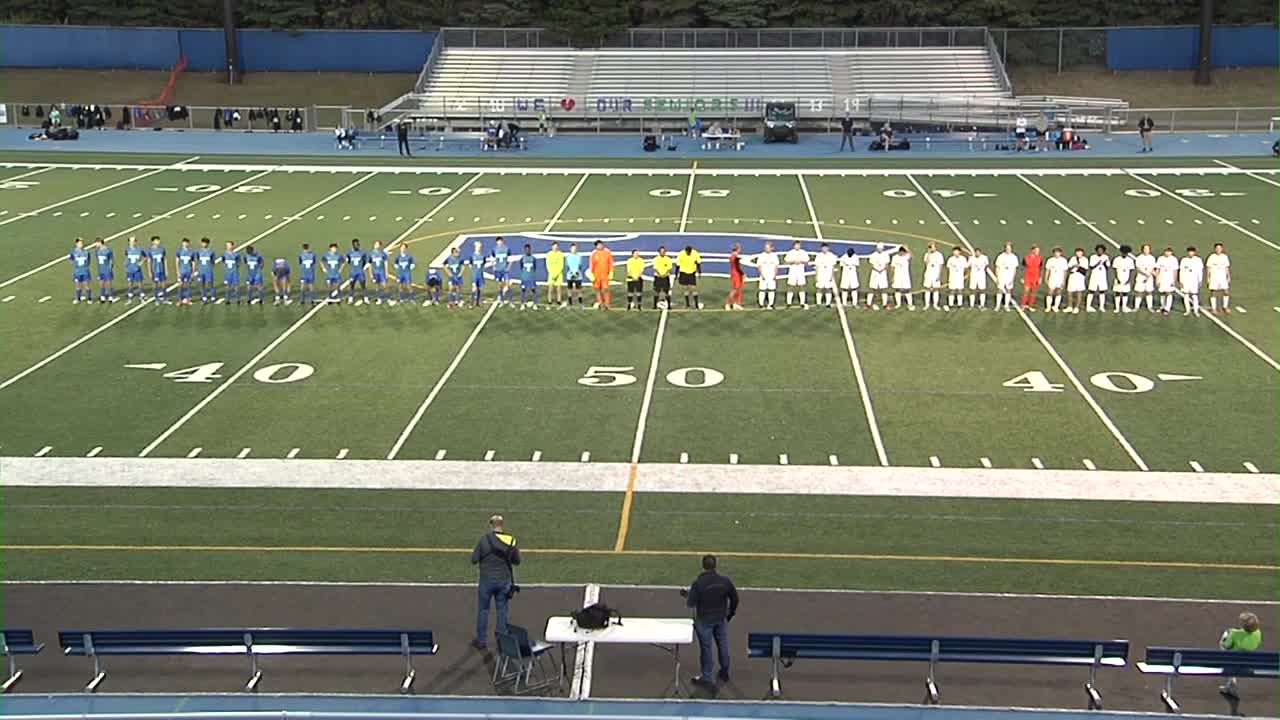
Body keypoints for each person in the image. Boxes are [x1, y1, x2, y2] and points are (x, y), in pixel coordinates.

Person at [682, 554, 739, 687]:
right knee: (723, 645)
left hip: (704, 620)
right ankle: (724, 671)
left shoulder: (698, 583)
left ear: (703, 566)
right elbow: (735, 598)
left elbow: (691, 603)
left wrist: (687, 595)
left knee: (706, 648)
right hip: (721, 618)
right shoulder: (725, 581)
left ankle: (707, 676)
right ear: (715, 565)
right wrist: (730, 614)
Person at [471, 514, 520, 652]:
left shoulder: (484, 540)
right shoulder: (511, 541)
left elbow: (474, 559)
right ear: (502, 525)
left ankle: (481, 641)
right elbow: (517, 561)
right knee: (502, 610)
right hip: (504, 581)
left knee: (483, 610)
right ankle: (502, 641)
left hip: (486, 581)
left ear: (491, 525)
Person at [1218, 612, 1262, 698]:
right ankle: (1230, 685)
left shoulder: (1235, 633)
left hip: (1235, 661)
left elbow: (1226, 645)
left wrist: (1226, 635)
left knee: (1223, 647)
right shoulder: (1258, 633)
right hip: (1249, 662)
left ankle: (1232, 682)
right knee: (1235, 654)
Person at [1206, 242, 1231, 314]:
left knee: (1226, 292)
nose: (1218, 250)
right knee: (1213, 292)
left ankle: (1225, 306)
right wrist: (1208, 277)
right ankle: (1214, 308)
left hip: (1222, 277)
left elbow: (1226, 267)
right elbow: (1208, 268)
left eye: (1220, 248)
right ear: (1215, 249)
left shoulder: (1224, 257)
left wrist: (1228, 276)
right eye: (1217, 248)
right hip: (1214, 277)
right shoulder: (1211, 257)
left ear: (1222, 249)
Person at [783, 240, 809, 309]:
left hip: (801, 272)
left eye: (798, 245)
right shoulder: (790, 253)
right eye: (796, 245)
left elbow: (807, 261)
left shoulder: (803, 252)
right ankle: (789, 303)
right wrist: (793, 261)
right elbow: (786, 261)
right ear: (794, 245)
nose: (797, 246)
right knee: (791, 286)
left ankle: (802, 302)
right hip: (792, 272)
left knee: (802, 286)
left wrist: (801, 261)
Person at [589, 240, 615, 309]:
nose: (600, 246)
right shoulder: (593, 253)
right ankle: (600, 303)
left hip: (605, 275)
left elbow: (611, 263)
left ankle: (607, 304)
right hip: (596, 275)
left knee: (605, 289)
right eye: (598, 245)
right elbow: (591, 264)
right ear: (596, 246)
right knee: (597, 289)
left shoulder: (607, 252)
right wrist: (591, 274)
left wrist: (611, 272)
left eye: (601, 244)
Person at [1179, 245, 1204, 316]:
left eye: (1192, 252)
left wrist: (1200, 280)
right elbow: (1181, 271)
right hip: (1186, 280)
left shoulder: (1198, 260)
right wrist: (1181, 281)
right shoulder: (1184, 260)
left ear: (1194, 252)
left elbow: (1200, 271)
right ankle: (1187, 310)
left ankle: (1196, 311)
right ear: (1187, 252)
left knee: (1194, 295)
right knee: (1186, 295)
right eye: (1189, 252)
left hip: (1194, 280)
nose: (1191, 253)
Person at [675, 244, 702, 309]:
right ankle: (687, 304)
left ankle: (696, 304)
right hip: (683, 273)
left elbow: (698, 263)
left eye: (689, 252)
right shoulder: (681, 254)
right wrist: (676, 274)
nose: (689, 253)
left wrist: (699, 272)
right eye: (688, 252)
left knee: (693, 288)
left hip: (691, 273)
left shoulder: (695, 253)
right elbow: (677, 265)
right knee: (686, 289)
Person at [755, 242, 779, 309]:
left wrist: (775, 275)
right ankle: (761, 304)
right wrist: (761, 274)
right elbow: (759, 266)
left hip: (771, 275)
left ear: (771, 248)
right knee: (762, 290)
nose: (767, 249)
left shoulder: (774, 256)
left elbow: (776, 266)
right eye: (766, 248)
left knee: (772, 290)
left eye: (768, 248)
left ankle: (771, 304)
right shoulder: (761, 255)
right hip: (764, 275)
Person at [1086, 244, 1110, 313]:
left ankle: (1101, 307)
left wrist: (1105, 262)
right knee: (1091, 291)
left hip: (1102, 276)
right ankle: (1088, 306)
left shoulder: (1106, 257)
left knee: (1102, 291)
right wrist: (1099, 262)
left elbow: (1107, 267)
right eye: (1099, 250)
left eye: (1101, 250)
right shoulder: (1092, 257)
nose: (1100, 252)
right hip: (1094, 276)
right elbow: (1091, 266)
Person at [994, 243, 1019, 312]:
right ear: (1005, 248)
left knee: (1008, 290)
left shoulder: (1014, 257)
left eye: (1009, 248)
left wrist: (1013, 278)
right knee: (999, 290)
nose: (1008, 250)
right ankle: (997, 305)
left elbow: (1014, 269)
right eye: (1007, 248)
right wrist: (997, 277)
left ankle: (1006, 305)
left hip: (1009, 276)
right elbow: (997, 267)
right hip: (1001, 276)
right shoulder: (1000, 256)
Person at [1155, 247, 1179, 315]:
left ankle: (1167, 308)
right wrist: (1157, 279)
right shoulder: (1160, 258)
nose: (1167, 253)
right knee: (1162, 293)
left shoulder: (1174, 259)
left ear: (1171, 252)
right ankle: (1162, 307)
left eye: (1169, 252)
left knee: (1169, 293)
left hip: (1169, 279)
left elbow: (1175, 271)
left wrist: (1174, 280)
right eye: (1166, 251)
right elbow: (1157, 269)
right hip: (1161, 278)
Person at [867, 242, 891, 310]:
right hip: (875, 273)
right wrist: (877, 269)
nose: (880, 250)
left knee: (884, 289)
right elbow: (871, 264)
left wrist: (882, 269)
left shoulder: (886, 255)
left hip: (882, 273)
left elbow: (887, 264)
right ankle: (868, 304)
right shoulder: (873, 255)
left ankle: (885, 304)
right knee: (872, 288)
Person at [1112, 245, 1136, 313]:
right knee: (1117, 292)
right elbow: (1115, 269)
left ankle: (1124, 307)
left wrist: (1129, 279)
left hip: (1126, 278)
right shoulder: (1117, 259)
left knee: (1125, 293)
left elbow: (1131, 271)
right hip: (1119, 278)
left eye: (1126, 253)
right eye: (1123, 252)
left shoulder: (1130, 260)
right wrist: (1117, 278)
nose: (1125, 254)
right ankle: (1117, 308)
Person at [1043, 247, 1068, 312]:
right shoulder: (1050, 260)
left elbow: (1065, 271)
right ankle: (1048, 307)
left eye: (1058, 252)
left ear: (1060, 253)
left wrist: (1064, 280)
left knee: (1059, 292)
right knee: (1050, 292)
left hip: (1060, 279)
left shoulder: (1064, 260)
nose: (1057, 254)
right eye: (1056, 252)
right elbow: (1047, 270)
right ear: (1054, 253)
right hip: (1052, 278)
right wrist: (1046, 278)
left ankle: (1056, 307)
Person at [1133, 244, 1157, 313]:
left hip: (1149, 277)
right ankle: (1136, 307)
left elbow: (1153, 268)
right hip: (1141, 277)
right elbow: (1138, 268)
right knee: (1139, 292)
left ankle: (1150, 307)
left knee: (1149, 292)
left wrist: (1148, 274)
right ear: (1142, 250)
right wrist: (1145, 274)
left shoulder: (1152, 258)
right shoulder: (1139, 258)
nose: (1146, 250)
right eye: (1145, 249)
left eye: (1148, 249)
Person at [921, 242, 944, 310]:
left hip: (935, 274)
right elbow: (926, 263)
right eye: (931, 247)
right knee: (927, 289)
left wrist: (939, 275)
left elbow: (941, 265)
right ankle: (926, 304)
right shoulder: (926, 254)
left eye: (934, 247)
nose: (932, 248)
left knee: (935, 290)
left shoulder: (939, 255)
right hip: (928, 274)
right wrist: (928, 253)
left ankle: (935, 305)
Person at [124, 236, 146, 304]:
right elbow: (127, 257)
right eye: (131, 241)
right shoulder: (127, 249)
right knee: (130, 283)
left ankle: (142, 296)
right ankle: (130, 296)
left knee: (139, 282)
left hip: (137, 269)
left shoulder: (140, 249)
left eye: (133, 241)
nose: (132, 243)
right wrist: (126, 263)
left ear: (136, 242)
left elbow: (145, 257)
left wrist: (141, 263)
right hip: (129, 269)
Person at [890, 245, 913, 310]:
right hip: (897, 276)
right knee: (897, 289)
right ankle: (898, 304)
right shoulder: (895, 257)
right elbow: (892, 267)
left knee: (907, 290)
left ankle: (910, 304)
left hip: (905, 276)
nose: (903, 253)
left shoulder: (906, 256)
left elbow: (911, 256)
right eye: (902, 252)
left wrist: (907, 249)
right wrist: (892, 277)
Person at [1066, 247, 1089, 314]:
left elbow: (1085, 269)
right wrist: (1074, 266)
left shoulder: (1085, 259)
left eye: (1080, 252)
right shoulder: (1073, 259)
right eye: (1077, 252)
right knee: (1069, 292)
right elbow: (1069, 267)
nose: (1078, 254)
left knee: (1079, 292)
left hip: (1080, 277)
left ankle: (1077, 307)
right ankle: (1070, 306)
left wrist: (1079, 266)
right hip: (1072, 276)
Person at [1020, 245, 1042, 311]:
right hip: (1027, 276)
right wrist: (1022, 277)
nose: (1037, 252)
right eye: (1036, 250)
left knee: (1033, 292)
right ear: (1032, 250)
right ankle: (1023, 305)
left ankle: (1030, 305)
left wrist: (1040, 277)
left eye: (1038, 250)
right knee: (1026, 291)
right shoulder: (1026, 258)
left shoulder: (1040, 258)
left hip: (1035, 277)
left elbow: (1040, 268)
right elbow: (1023, 268)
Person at [69, 237, 92, 303]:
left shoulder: (86, 252)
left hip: (85, 271)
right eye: (79, 243)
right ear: (76, 244)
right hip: (77, 272)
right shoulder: (73, 252)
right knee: (78, 286)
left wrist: (85, 267)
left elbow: (89, 261)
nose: (81, 245)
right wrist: (75, 265)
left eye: (82, 243)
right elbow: (71, 259)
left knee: (86, 285)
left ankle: (89, 298)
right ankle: (77, 298)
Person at [945, 246, 968, 311]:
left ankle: (959, 304)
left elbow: (966, 268)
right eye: (954, 251)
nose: (955, 252)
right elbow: (948, 268)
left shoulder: (963, 259)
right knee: (952, 291)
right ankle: (951, 304)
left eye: (956, 251)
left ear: (959, 252)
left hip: (960, 277)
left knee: (960, 291)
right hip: (952, 277)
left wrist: (966, 275)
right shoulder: (950, 259)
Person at [174, 237, 196, 305]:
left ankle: (188, 299)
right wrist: (178, 272)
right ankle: (180, 300)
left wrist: (193, 272)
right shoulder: (179, 251)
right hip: (181, 271)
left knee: (188, 285)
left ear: (188, 243)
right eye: (184, 242)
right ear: (182, 243)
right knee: (180, 285)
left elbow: (193, 262)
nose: (185, 244)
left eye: (186, 243)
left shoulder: (191, 251)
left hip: (188, 271)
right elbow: (177, 262)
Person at [347, 239, 368, 305]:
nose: (356, 246)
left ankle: (365, 298)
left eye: (357, 244)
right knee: (352, 285)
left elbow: (364, 261)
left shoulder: (362, 253)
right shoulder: (349, 253)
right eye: (355, 245)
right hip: (353, 272)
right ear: (352, 245)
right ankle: (350, 298)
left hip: (360, 272)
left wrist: (360, 267)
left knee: (363, 285)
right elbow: (349, 261)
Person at [94, 237, 115, 304]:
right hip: (101, 269)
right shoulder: (97, 251)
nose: (96, 244)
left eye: (97, 243)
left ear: (100, 242)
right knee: (101, 283)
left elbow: (111, 260)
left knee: (108, 283)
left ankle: (110, 296)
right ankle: (102, 296)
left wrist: (110, 268)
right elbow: (98, 260)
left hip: (107, 269)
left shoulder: (108, 250)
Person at [147, 236, 167, 303]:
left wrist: (166, 270)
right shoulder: (150, 250)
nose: (158, 242)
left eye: (158, 240)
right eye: (156, 241)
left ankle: (165, 298)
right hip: (154, 270)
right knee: (155, 285)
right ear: (152, 242)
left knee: (163, 284)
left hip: (161, 269)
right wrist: (150, 272)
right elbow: (149, 261)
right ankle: (156, 299)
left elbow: (164, 260)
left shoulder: (162, 249)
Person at [196, 238, 217, 304]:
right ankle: (204, 297)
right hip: (201, 270)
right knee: (202, 284)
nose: (204, 244)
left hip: (208, 270)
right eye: (203, 243)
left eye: (205, 243)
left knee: (210, 283)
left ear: (208, 244)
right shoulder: (198, 251)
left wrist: (209, 267)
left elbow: (213, 261)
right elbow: (198, 260)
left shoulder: (211, 251)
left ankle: (213, 296)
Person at [544, 241, 565, 307]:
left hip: (559, 274)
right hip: (551, 274)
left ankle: (559, 301)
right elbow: (548, 265)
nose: (555, 248)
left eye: (556, 246)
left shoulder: (561, 254)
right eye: (554, 246)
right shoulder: (549, 254)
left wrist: (557, 274)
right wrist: (552, 273)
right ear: (552, 247)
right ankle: (549, 301)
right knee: (550, 288)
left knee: (559, 289)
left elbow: (561, 265)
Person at [492, 237, 511, 305]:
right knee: (499, 285)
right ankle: (501, 300)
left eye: (500, 241)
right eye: (498, 242)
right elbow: (493, 259)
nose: (499, 243)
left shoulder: (507, 249)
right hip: (498, 269)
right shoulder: (494, 249)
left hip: (505, 269)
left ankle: (510, 301)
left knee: (508, 284)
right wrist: (494, 267)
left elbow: (511, 258)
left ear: (503, 241)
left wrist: (508, 267)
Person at [565, 242, 585, 308]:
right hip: (570, 276)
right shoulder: (568, 257)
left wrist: (576, 273)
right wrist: (571, 273)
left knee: (579, 290)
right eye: (572, 248)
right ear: (570, 249)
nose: (574, 250)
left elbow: (580, 266)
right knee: (569, 290)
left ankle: (581, 303)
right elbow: (567, 266)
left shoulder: (579, 257)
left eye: (575, 248)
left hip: (578, 276)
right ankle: (570, 303)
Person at [369, 240, 389, 305]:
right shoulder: (371, 254)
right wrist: (370, 273)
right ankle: (379, 298)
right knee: (377, 286)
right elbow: (370, 264)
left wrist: (386, 272)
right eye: (375, 244)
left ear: (380, 246)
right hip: (375, 272)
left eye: (378, 245)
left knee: (384, 285)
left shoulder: (383, 253)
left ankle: (388, 299)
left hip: (381, 272)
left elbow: (386, 263)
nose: (376, 246)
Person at [725, 243, 744, 310]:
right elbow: (737, 267)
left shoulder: (733, 256)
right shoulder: (735, 257)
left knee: (738, 289)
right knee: (735, 289)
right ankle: (728, 303)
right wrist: (742, 274)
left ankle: (737, 304)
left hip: (735, 274)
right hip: (736, 274)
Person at [518, 244, 538, 308]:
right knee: (523, 290)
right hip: (524, 277)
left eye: (528, 249)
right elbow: (521, 267)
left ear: (530, 250)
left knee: (533, 290)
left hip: (532, 277)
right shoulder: (522, 259)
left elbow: (534, 267)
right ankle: (522, 303)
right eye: (526, 250)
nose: (527, 251)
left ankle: (535, 304)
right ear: (524, 250)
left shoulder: (533, 258)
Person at [222, 240, 241, 305]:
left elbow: (238, 264)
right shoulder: (224, 254)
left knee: (236, 286)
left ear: (233, 246)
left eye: (229, 245)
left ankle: (238, 299)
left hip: (235, 272)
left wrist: (234, 269)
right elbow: (223, 261)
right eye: (227, 245)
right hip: (227, 273)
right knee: (227, 286)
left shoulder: (236, 255)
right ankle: (227, 300)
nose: (227, 246)